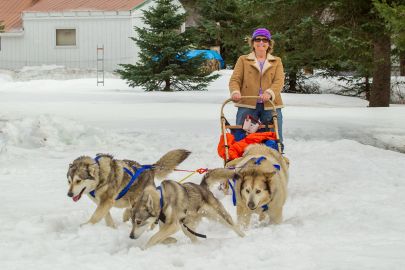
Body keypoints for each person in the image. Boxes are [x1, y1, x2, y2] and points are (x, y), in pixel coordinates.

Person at [229, 27, 285, 149]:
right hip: (247, 103)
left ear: (269, 44)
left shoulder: (276, 61)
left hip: (271, 103)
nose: (261, 42)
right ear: (253, 43)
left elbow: (279, 80)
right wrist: (235, 91)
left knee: (274, 134)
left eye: (265, 40)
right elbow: (235, 79)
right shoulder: (243, 60)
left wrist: (269, 93)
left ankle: (275, 156)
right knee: (242, 134)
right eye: (257, 39)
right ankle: (240, 157)